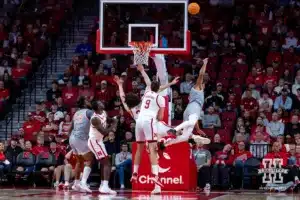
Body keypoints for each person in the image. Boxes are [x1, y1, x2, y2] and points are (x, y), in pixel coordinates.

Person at [113, 64, 179, 139]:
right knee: (176, 131)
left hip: (141, 129)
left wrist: (120, 85)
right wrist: (142, 71)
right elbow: (151, 85)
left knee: (152, 144)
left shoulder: (130, 109)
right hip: (152, 124)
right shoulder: (143, 100)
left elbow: (122, 98)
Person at [162, 58, 211, 147]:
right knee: (190, 123)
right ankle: (175, 130)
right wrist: (204, 64)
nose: (203, 84)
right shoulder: (197, 88)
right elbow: (201, 74)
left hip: (189, 111)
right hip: (194, 108)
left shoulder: (198, 92)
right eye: (203, 83)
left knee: (185, 136)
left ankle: (166, 144)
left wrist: (198, 129)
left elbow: (195, 116)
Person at [131, 78, 166, 194]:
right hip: (149, 121)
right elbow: (160, 118)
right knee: (152, 149)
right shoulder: (160, 98)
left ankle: (135, 173)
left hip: (139, 121)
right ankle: (155, 176)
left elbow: (150, 83)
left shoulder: (146, 93)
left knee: (139, 149)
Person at [88, 100, 118, 194]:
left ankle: (103, 185)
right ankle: (105, 186)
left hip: (99, 141)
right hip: (94, 141)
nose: (102, 103)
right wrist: (114, 124)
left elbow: (108, 119)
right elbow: (104, 132)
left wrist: (113, 119)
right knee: (106, 163)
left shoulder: (104, 112)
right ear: (97, 107)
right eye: (100, 103)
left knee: (105, 162)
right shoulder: (94, 119)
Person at [68, 97, 94, 192]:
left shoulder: (76, 113)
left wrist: (70, 140)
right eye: (87, 100)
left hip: (72, 138)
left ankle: (76, 184)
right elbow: (97, 122)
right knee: (90, 159)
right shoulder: (89, 112)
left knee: (80, 161)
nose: (89, 101)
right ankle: (83, 183)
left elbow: (70, 128)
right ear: (84, 103)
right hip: (80, 138)